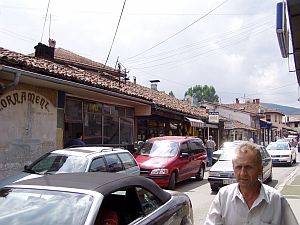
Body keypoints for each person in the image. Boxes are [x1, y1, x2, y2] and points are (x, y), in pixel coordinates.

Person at [204, 142, 299, 225]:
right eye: (238, 167)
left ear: (260, 170)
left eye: (249, 167)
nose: (243, 173)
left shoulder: (276, 200)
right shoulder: (223, 197)